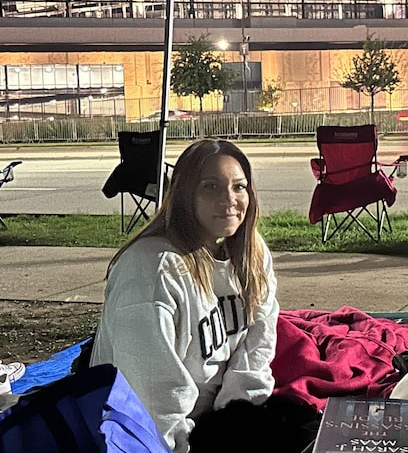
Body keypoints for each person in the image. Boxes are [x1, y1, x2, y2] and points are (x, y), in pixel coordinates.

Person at [90, 139, 279, 453]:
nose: (229, 200)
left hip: (217, 416)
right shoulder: (152, 272)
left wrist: (240, 413)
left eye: (239, 187)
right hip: (151, 433)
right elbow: (152, 397)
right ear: (184, 194)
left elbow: (261, 333)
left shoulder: (250, 250)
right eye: (211, 187)